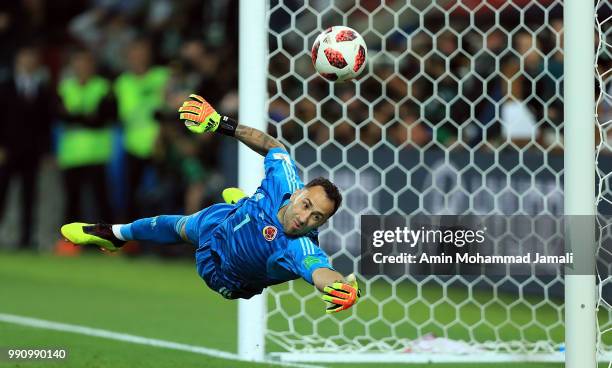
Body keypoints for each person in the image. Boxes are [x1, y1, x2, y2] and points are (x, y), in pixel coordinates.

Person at [61, 94, 360, 313]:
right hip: (225, 222)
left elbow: (321, 272)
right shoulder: (286, 180)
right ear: (297, 194)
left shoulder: (299, 247)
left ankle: (244, 203)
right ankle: (113, 234)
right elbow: (273, 146)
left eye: (317, 218)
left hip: (225, 273)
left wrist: (341, 288)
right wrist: (221, 124)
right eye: (306, 205)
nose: (305, 218)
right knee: (180, 223)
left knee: (191, 229)